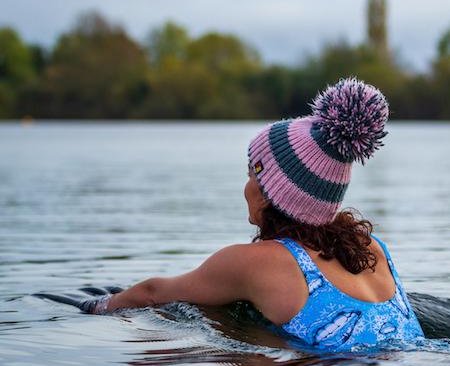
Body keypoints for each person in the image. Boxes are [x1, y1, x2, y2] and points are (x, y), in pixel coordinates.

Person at [46, 77, 424, 351]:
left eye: (250, 174)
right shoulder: (373, 248)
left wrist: (91, 306)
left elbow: (152, 293)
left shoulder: (253, 264)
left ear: (270, 191)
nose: (245, 185)